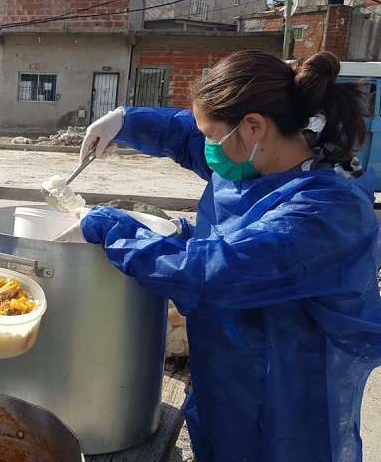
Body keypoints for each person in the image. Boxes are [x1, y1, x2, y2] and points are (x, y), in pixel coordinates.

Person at [54, 50, 381, 462]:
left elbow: (212, 273)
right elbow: (191, 139)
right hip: (226, 380)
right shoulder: (257, 167)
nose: (207, 147)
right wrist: (126, 120)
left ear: (254, 127)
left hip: (288, 400)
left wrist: (109, 227)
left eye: (212, 136)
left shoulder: (326, 210)